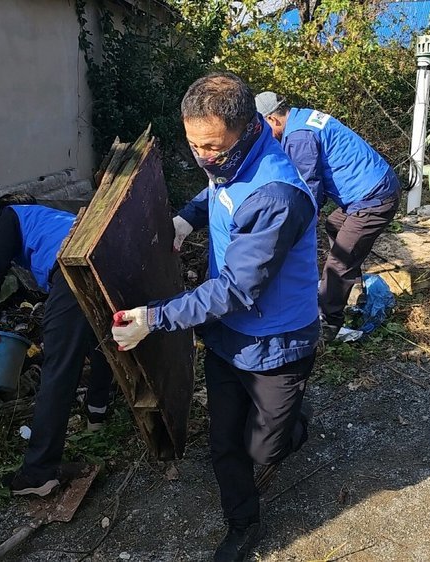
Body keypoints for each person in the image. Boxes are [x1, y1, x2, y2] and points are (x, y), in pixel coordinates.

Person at [110, 72, 318, 562]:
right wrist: (187, 216)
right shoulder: (225, 158)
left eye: (213, 149)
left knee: (265, 451)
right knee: (224, 443)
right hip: (228, 336)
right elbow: (216, 191)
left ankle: (294, 419)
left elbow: (237, 289)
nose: (204, 157)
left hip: (277, 342)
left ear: (248, 130)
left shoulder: (277, 195)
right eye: (194, 145)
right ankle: (242, 526)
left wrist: (154, 318)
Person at [0, 193, 114, 497]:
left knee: (58, 366)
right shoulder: (52, 219)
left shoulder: (12, 215)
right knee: (100, 341)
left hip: (73, 267)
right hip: (106, 258)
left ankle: (38, 473)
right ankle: (97, 415)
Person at [255, 92, 401, 341]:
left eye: (261, 127)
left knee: (339, 261)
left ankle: (328, 323)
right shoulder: (302, 118)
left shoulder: (299, 137)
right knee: (335, 225)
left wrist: (290, 231)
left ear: (272, 119)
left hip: (374, 197)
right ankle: (348, 288)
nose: (262, 134)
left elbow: (308, 190)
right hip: (366, 191)